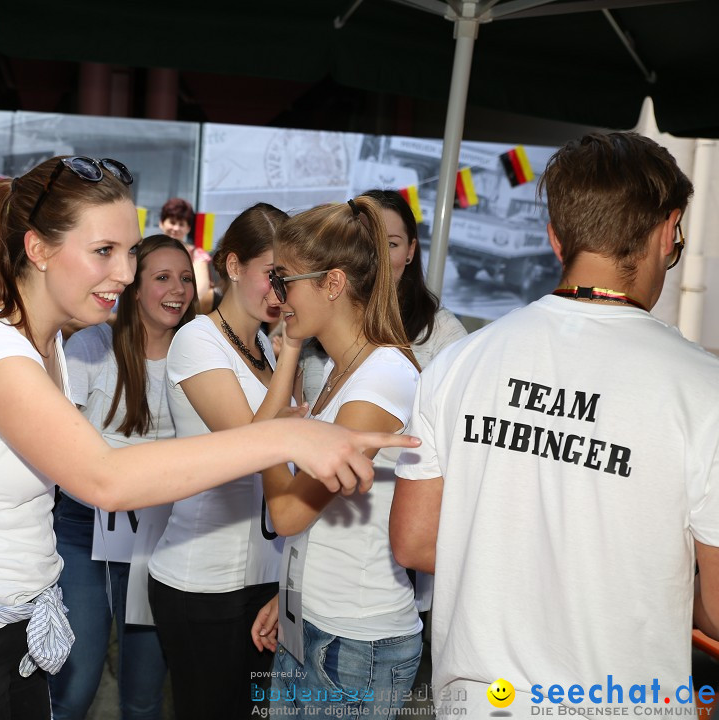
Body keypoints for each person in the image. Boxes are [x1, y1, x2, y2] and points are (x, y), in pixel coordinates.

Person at [0, 156, 418, 720]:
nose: (126, 274)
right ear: (37, 249)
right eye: (104, 251)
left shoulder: (41, 344)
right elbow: (104, 478)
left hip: (5, 625)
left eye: (130, 252)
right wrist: (288, 438)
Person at [390, 132, 719, 716]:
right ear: (668, 234)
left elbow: (414, 540)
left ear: (555, 237)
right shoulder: (704, 389)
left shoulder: (459, 361)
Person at [249, 197, 423, 718]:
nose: (277, 299)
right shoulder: (343, 371)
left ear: (334, 282)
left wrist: (279, 435)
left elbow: (287, 513)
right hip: (317, 621)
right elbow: (324, 524)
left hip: (356, 643)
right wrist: (289, 596)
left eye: (285, 281)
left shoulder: (380, 382)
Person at [147, 202, 290, 719]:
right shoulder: (197, 338)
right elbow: (251, 446)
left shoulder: (265, 350)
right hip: (202, 581)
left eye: (291, 279)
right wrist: (294, 350)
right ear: (232, 266)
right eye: (273, 275)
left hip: (263, 578)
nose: (282, 292)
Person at [49, 234, 197, 720]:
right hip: (82, 527)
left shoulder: (197, 356)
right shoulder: (92, 345)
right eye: (162, 277)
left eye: (186, 278)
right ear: (134, 288)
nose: (177, 289)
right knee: (74, 687)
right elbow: (56, 443)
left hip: (160, 535)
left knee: (144, 693)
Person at [298, 189, 466, 402]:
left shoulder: (443, 332)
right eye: (369, 241)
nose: (379, 256)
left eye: (391, 244)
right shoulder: (322, 319)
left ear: (410, 251)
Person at [159, 197, 215, 311]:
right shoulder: (148, 250)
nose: (176, 228)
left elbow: (201, 292)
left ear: (188, 228)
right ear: (161, 223)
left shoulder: (197, 255)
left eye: (181, 224)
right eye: (172, 222)